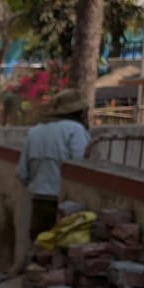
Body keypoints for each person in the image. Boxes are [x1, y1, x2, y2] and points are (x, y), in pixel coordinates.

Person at [15, 90, 91, 255]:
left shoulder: (35, 131)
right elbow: (81, 169)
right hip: (64, 203)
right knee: (59, 252)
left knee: (39, 248)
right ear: (79, 112)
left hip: (39, 200)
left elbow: (22, 172)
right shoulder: (75, 130)